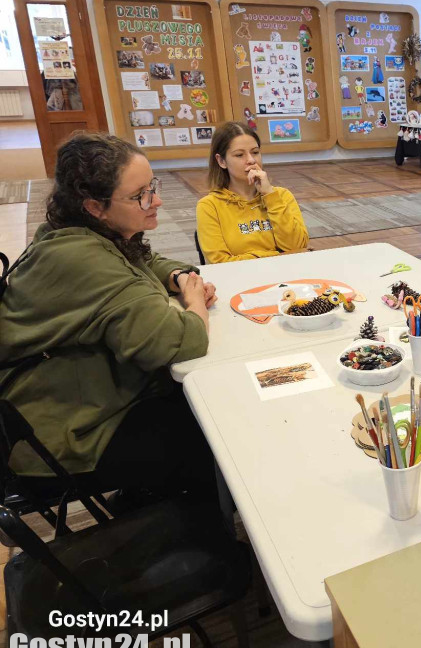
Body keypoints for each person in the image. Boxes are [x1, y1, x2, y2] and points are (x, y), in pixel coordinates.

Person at [0, 132, 217, 498]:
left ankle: (153, 504)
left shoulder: (71, 233)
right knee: (211, 431)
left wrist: (178, 276)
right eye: (140, 196)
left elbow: (141, 259)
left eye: (153, 186)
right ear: (94, 207)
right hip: (61, 437)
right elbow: (178, 343)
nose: (157, 200)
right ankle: (192, 538)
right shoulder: (83, 259)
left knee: (194, 406)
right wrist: (194, 301)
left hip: (64, 401)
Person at [196, 122, 309, 263]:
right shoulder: (209, 206)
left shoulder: (282, 196)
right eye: (239, 155)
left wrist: (269, 195)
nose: (251, 160)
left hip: (287, 276)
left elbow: (297, 246)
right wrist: (277, 256)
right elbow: (220, 262)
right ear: (221, 161)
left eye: (255, 152)